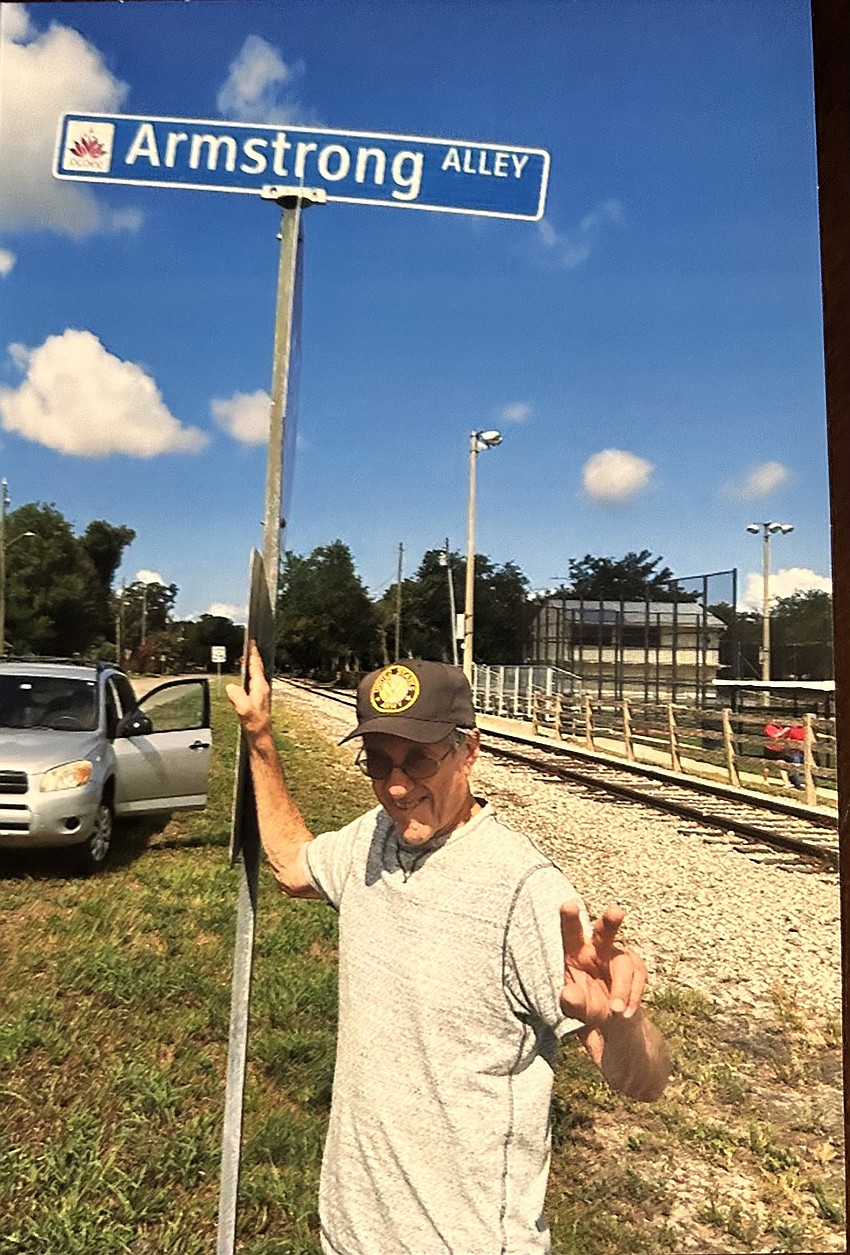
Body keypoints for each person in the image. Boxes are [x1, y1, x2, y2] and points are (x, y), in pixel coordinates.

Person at [228, 647, 670, 1255]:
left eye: (420, 760)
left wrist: (621, 1022)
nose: (398, 786)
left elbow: (643, 1083)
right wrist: (259, 736)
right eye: (378, 764)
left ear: (470, 750)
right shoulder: (370, 838)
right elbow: (291, 864)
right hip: (351, 1229)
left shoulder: (524, 891)